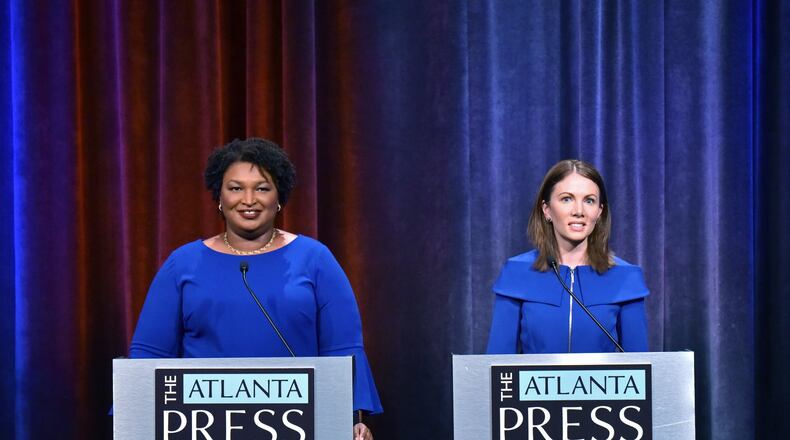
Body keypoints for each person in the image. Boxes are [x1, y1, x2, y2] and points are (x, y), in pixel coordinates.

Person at [130, 138, 381, 439]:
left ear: (279, 198)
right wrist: (135, 421)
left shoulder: (316, 259)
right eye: (235, 188)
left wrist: (354, 417)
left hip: (299, 422)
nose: (248, 199)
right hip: (201, 425)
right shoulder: (182, 264)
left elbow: (344, 350)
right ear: (220, 197)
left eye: (262, 188)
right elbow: (149, 355)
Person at [486, 159, 649, 354]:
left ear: (599, 212)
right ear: (546, 210)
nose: (579, 211)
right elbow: (496, 367)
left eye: (589, 200)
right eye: (566, 199)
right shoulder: (517, 273)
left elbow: (640, 370)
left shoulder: (625, 278)